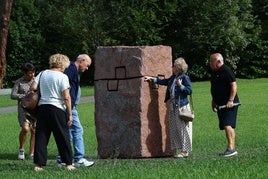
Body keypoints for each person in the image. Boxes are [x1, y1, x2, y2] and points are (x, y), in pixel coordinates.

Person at [31, 54, 75, 171]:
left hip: (42, 108)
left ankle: (38, 165)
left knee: (41, 136)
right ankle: (68, 164)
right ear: (62, 64)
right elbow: (66, 97)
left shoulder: (42, 73)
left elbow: (33, 87)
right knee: (62, 136)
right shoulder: (62, 76)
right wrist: (70, 114)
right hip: (57, 108)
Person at [144, 57, 193, 158]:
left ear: (179, 68)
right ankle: (180, 150)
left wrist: (181, 86)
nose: (172, 67)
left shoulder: (184, 78)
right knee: (175, 129)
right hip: (173, 106)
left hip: (182, 107)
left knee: (184, 129)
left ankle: (185, 151)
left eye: (174, 66)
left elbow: (189, 91)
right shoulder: (173, 77)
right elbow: (164, 82)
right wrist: (153, 79)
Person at [56, 54, 94, 167]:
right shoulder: (71, 69)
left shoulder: (73, 70)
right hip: (68, 106)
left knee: (69, 133)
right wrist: (68, 107)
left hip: (70, 106)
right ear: (82, 60)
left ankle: (62, 158)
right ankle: (78, 159)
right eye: (87, 65)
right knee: (77, 130)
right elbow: (63, 87)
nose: (87, 68)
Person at [210, 53, 240, 157]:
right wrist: (213, 101)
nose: (210, 64)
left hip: (229, 103)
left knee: (228, 124)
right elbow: (215, 88)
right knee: (226, 125)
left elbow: (234, 85)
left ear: (218, 61)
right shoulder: (215, 73)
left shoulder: (226, 70)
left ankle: (231, 149)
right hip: (220, 104)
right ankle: (230, 147)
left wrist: (231, 100)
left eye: (211, 61)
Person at [11, 63, 36, 160]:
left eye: (33, 73)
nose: (32, 75)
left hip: (35, 109)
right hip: (23, 108)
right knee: (25, 129)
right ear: (24, 73)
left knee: (34, 129)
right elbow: (13, 95)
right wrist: (25, 96)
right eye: (30, 73)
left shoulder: (37, 81)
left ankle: (32, 153)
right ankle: (21, 149)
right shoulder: (19, 82)